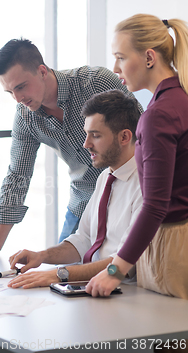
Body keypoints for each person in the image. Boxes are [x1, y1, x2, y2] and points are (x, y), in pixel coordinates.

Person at [0, 37, 143, 257]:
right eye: (10, 92)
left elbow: (143, 132)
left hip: (130, 195)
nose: (18, 99)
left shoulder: (95, 82)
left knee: (124, 270)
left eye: (20, 87)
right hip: (82, 205)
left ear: (41, 71)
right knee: (56, 270)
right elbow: (17, 176)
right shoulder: (26, 117)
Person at [87, 14, 188, 300]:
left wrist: (114, 272)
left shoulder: (159, 115)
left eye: (120, 56)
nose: (115, 67)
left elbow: (155, 205)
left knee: (169, 342)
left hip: (172, 244)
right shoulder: (180, 100)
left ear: (149, 57)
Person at [7, 90, 141, 288]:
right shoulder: (106, 176)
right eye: (87, 134)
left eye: (95, 136)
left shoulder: (146, 185)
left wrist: (60, 274)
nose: (86, 144)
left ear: (124, 137)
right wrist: (41, 256)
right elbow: (84, 239)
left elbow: (124, 264)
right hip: (91, 286)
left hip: (122, 289)